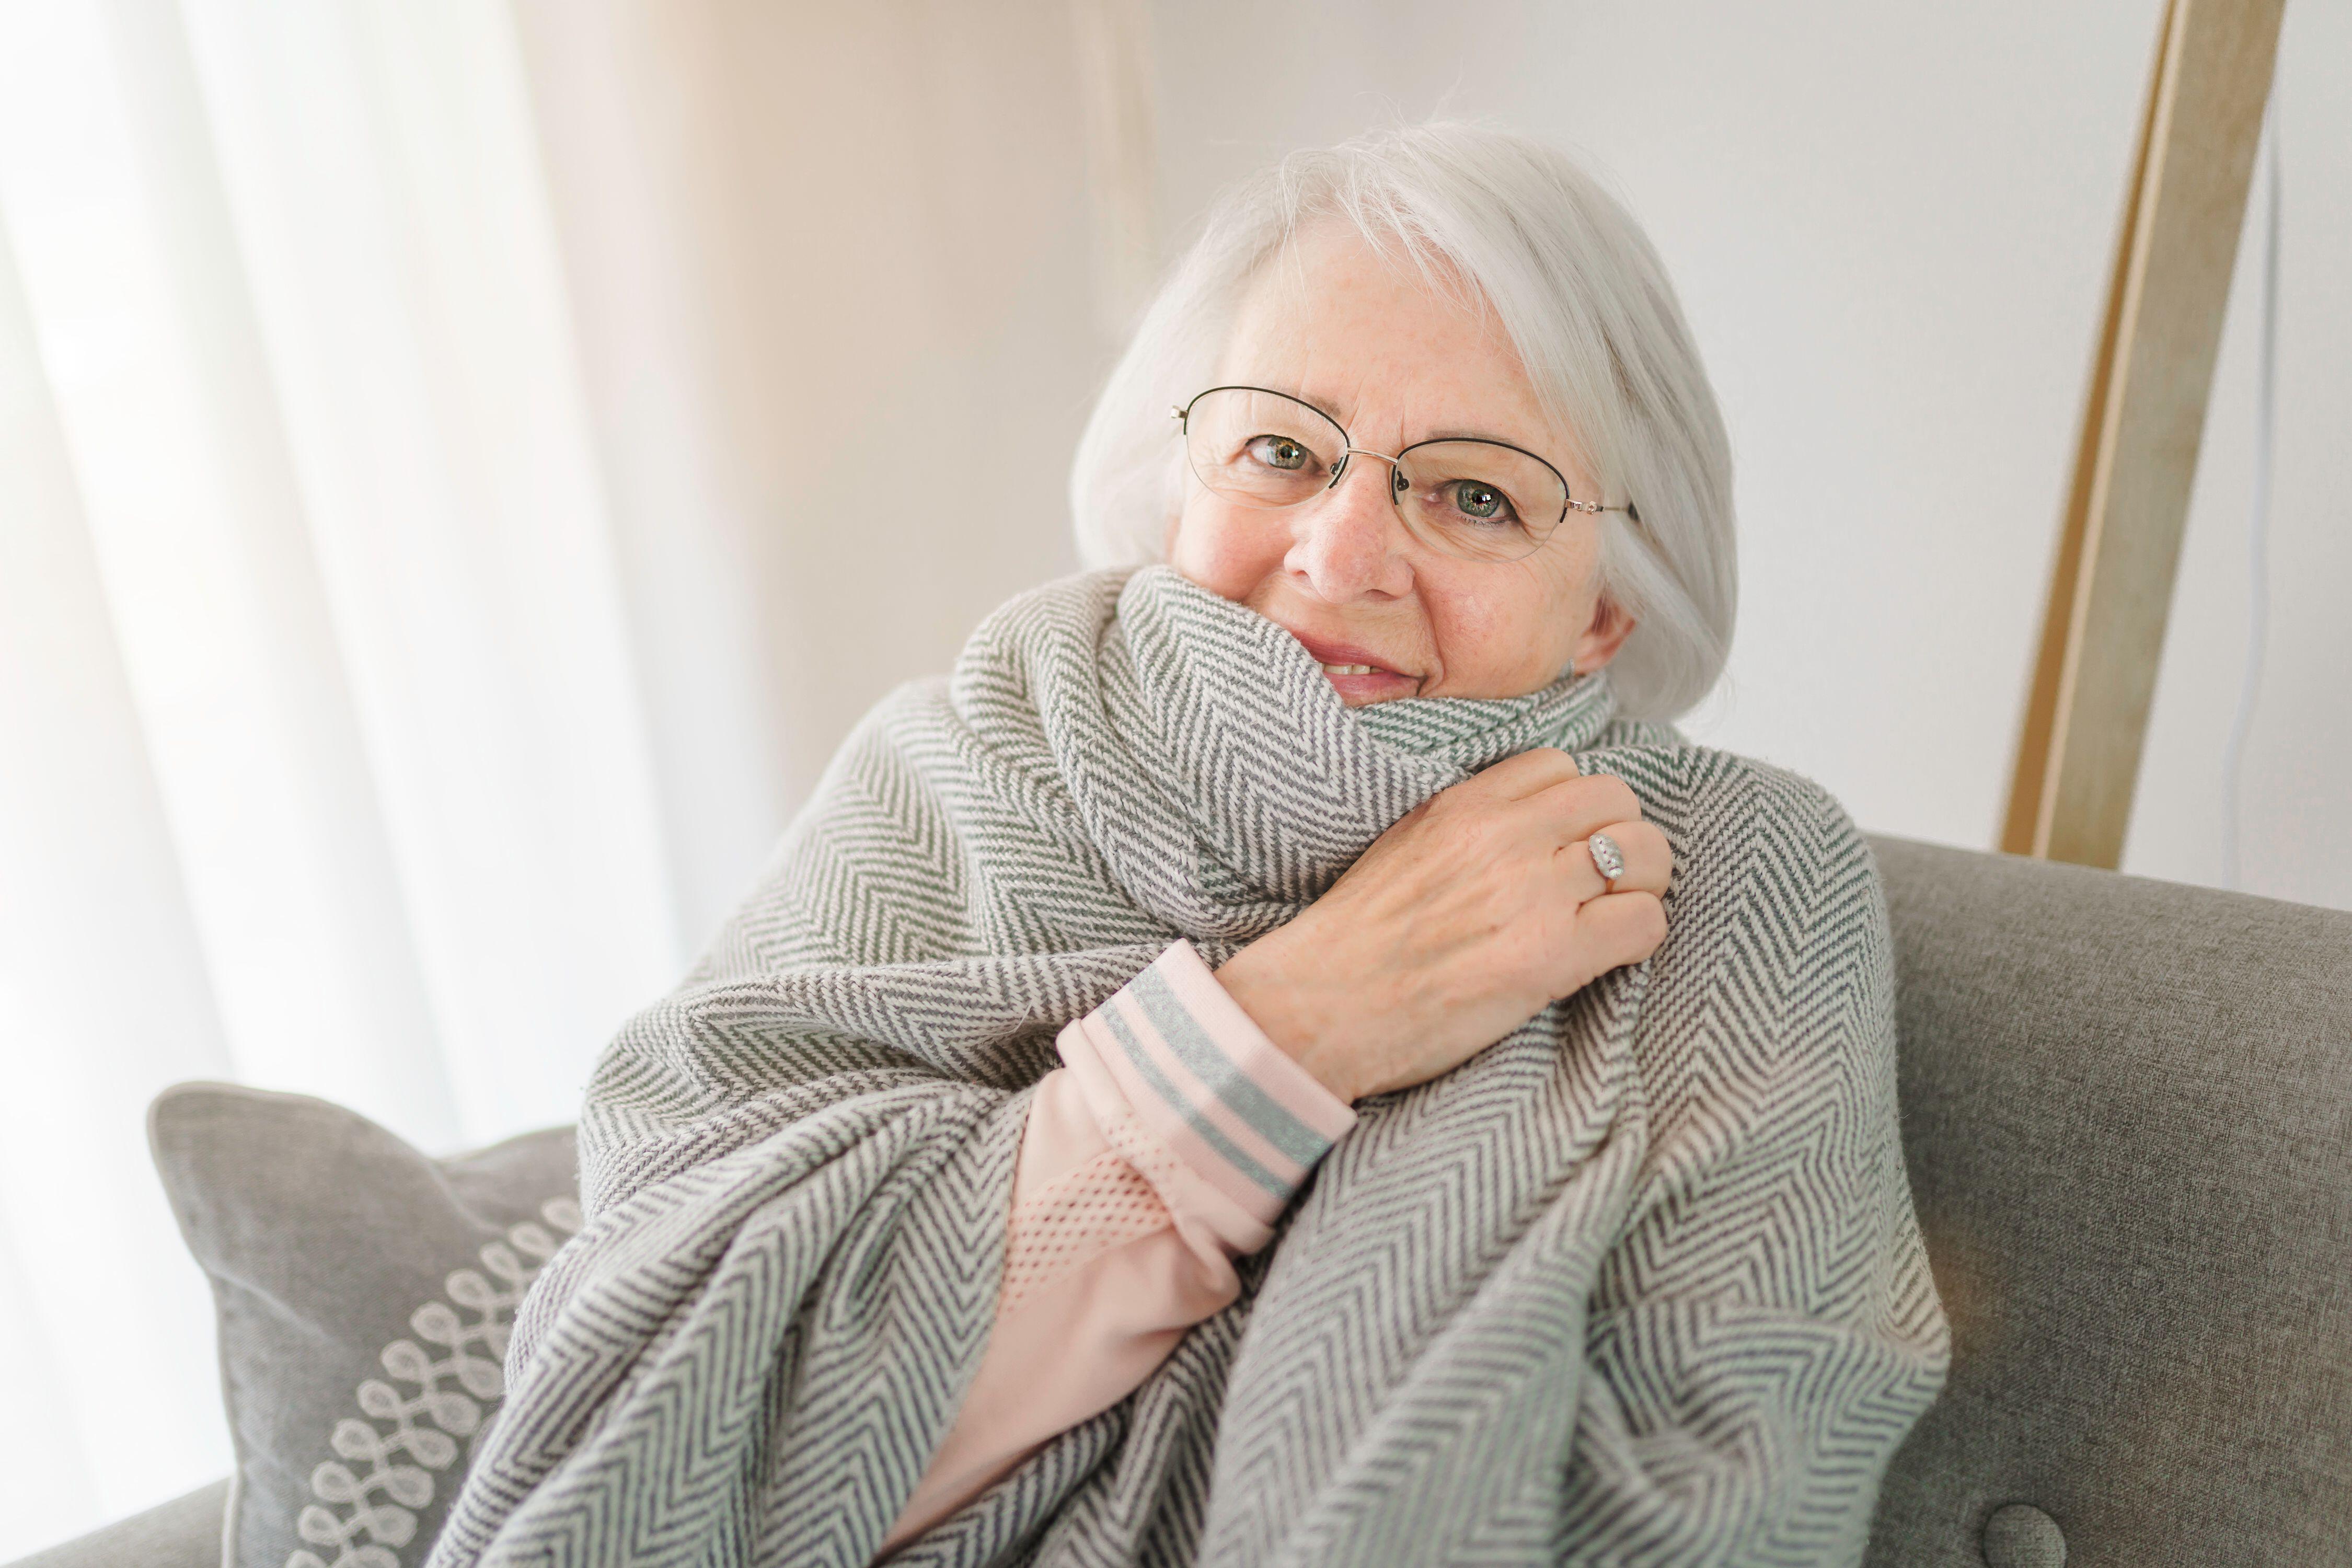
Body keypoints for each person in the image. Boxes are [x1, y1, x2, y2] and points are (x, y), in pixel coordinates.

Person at [428, 120, 1947, 1568]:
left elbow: (1740, 1485)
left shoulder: (1734, 871)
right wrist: (1297, 1025)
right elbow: (670, 1392)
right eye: (1283, 451)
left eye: (1475, 493)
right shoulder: (960, 758)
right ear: (1179, 483)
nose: (1341, 553)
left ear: (1607, 604)